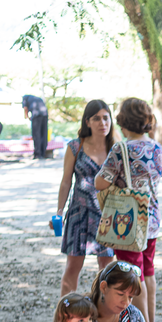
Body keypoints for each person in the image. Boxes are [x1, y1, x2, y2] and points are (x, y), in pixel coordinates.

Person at [94, 97, 162, 322]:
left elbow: (100, 183)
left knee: (134, 275)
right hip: (151, 219)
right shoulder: (156, 147)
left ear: (123, 122)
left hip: (129, 223)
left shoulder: (121, 149)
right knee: (148, 271)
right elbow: (161, 172)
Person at [55, 99, 117, 296]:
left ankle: (103, 317)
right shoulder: (75, 147)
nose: (102, 123)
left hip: (107, 216)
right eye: (96, 118)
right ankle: (64, 319)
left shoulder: (116, 148)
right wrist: (58, 211)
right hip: (78, 214)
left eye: (106, 118)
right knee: (73, 267)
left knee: (107, 270)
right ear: (87, 122)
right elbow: (66, 182)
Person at [22, 94, 49, 160]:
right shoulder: (38, 98)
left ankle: (38, 154)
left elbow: (25, 108)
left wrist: (27, 117)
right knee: (44, 133)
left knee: (36, 135)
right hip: (45, 114)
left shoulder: (24, 98)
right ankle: (43, 153)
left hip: (36, 114)